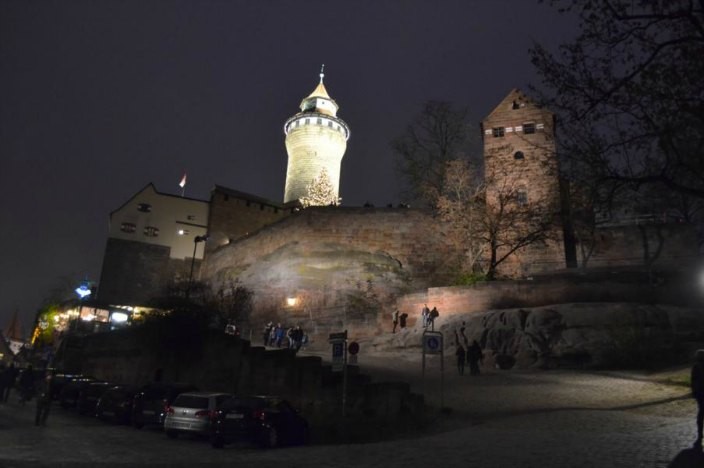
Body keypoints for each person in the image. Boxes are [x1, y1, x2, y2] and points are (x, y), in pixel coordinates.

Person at [692, 349, 704, 446]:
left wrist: (694, 392)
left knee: (701, 412)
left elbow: (693, 380)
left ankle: (700, 433)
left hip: (700, 392)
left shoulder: (696, 366)